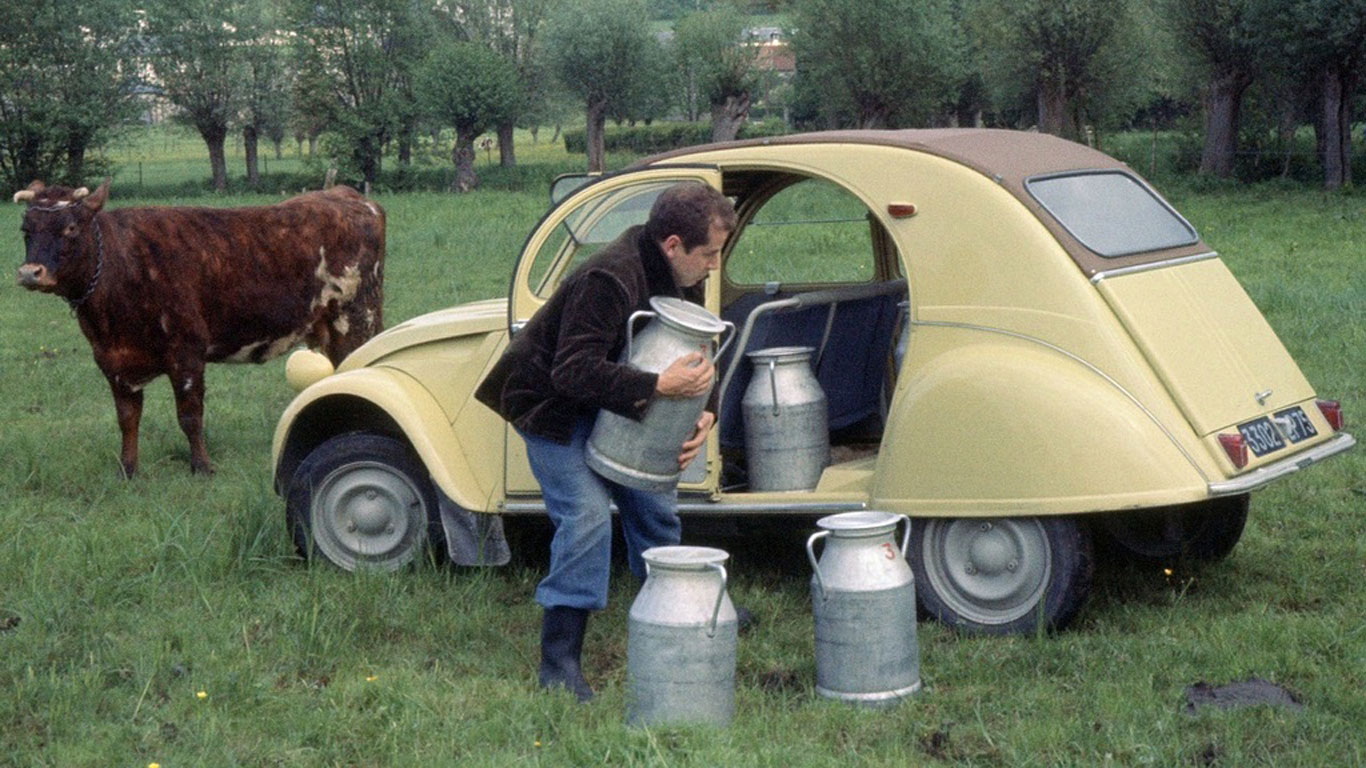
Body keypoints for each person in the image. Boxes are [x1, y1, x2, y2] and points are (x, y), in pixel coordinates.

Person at [474, 182, 737, 701]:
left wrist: (705, 413)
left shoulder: (682, 274)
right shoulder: (609, 277)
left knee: (652, 500)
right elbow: (570, 371)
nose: (713, 266)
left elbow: (699, 348)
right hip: (551, 405)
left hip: (610, 400)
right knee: (587, 518)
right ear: (672, 246)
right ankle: (559, 660)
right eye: (708, 254)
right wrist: (657, 386)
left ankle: (673, 608)